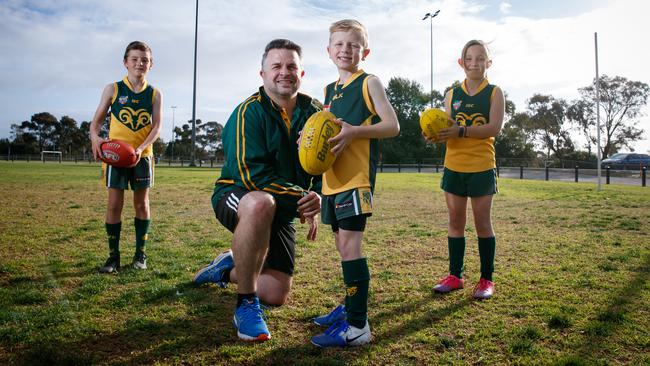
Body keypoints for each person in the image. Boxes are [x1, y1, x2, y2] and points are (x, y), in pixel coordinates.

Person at [192, 39, 322, 342]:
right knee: (261, 202)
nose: (284, 72)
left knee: (276, 293)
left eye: (291, 66)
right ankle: (246, 304)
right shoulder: (247, 112)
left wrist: (316, 196)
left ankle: (226, 269)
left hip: (285, 203)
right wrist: (301, 199)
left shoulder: (314, 111)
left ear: (302, 72)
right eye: (276, 66)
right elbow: (253, 176)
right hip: (238, 195)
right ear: (262, 74)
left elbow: (321, 162)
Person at [309, 19, 400, 348]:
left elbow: (392, 126)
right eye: (339, 44)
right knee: (341, 246)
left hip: (356, 179)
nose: (346, 50)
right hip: (332, 180)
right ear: (329, 51)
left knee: (351, 248)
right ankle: (349, 307)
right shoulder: (329, 91)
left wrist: (355, 131)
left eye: (353, 45)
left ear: (366, 51)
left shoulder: (369, 82)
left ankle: (358, 327)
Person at [428, 40, 505, 299]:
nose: (474, 62)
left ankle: (486, 280)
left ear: (488, 63)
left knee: (482, 223)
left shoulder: (495, 93)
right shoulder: (452, 94)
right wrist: (435, 135)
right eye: (469, 58)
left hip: (482, 166)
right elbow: (447, 127)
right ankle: (455, 276)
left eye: (480, 58)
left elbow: (494, 128)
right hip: (454, 166)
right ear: (461, 62)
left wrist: (462, 130)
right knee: (455, 222)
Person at [89, 41, 163, 273]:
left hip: (142, 156)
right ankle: (113, 257)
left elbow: (157, 127)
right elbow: (96, 122)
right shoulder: (113, 89)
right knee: (113, 205)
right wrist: (95, 138)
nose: (140, 63)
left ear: (151, 65)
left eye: (145, 60)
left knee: (141, 204)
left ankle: (140, 254)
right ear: (125, 62)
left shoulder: (154, 93)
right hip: (115, 157)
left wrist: (141, 148)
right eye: (135, 59)